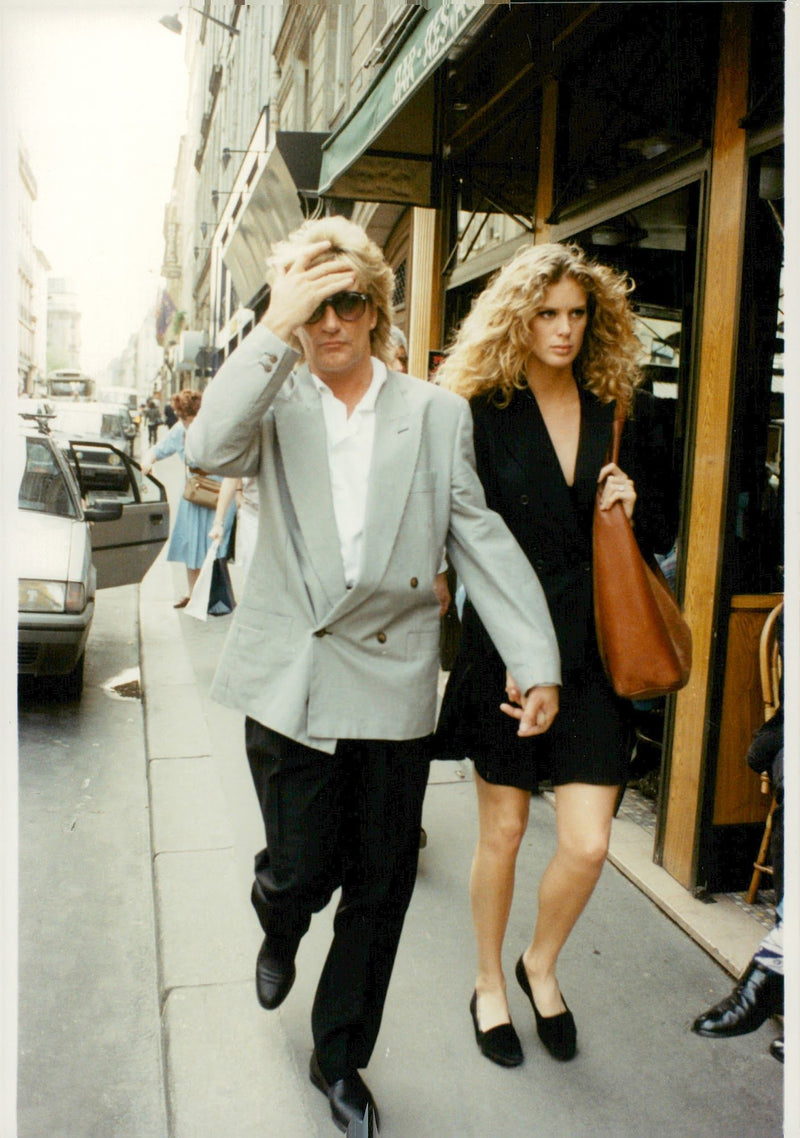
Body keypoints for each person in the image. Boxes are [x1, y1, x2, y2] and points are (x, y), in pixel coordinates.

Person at [186, 215, 561, 1133]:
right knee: (304, 867)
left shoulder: (436, 414)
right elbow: (204, 453)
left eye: (347, 301)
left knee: (382, 884)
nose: (331, 323)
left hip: (391, 682)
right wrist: (275, 324)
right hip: (293, 680)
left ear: (378, 311)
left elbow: (478, 537)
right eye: (313, 307)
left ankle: (339, 1057)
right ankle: (280, 911)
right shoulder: (272, 403)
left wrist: (532, 655)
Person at [435, 242, 677, 1066]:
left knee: (586, 843)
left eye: (578, 314)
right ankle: (488, 983)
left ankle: (539, 962)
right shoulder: (477, 407)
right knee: (501, 830)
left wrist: (630, 505)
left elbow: (662, 536)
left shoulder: (614, 403)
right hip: (503, 641)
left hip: (591, 649)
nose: (564, 329)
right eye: (547, 314)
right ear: (517, 317)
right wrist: (510, 643)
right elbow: (460, 536)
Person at [141, 389, 234, 608]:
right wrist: (147, 461)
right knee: (191, 542)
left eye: (189, 417)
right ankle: (192, 593)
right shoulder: (180, 430)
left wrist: (237, 493)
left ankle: (214, 597)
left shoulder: (216, 429)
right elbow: (159, 449)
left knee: (215, 544)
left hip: (218, 489)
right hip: (194, 490)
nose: (186, 422)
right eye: (182, 418)